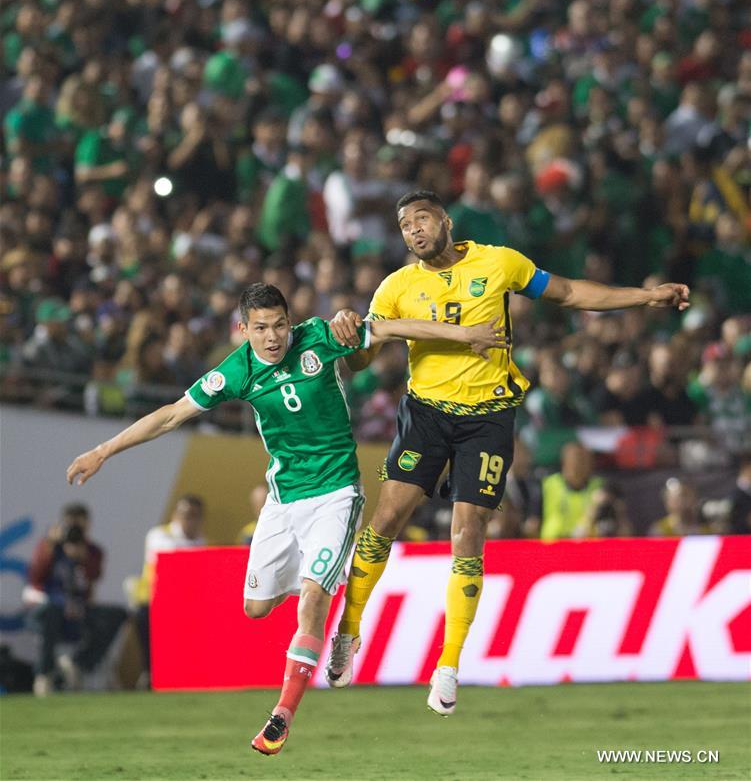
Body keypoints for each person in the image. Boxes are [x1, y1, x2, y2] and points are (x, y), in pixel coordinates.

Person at [66, 282, 505, 755]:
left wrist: (465, 336)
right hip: (282, 502)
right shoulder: (238, 371)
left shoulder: (321, 336)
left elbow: (392, 329)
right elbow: (172, 415)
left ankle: (282, 715)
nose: (273, 337)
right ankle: (321, 585)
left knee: (312, 601)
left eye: (279, 326)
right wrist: (103, 450)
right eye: (261, 329)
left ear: (290, 323)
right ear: (243, 330)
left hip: (336, 494)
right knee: (256, 608)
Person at [325, 189, 689, 715]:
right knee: (384, 520)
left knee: (468, 530)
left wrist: (646, 295)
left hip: (489, 417)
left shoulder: (499, 262)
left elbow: (566, 292)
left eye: (421, 219)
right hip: (426, 413)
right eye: (405, 226)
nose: (414, 231)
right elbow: (361, 361)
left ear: (445, 220)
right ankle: (349, 630)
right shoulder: (396, 287)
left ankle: (448, 664)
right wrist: (348, 333)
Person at [25, 504, 126, 696]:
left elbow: (94, 577)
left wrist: (83, 558)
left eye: (80, 525)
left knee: (117, 614)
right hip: (49, 609)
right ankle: (45, 674)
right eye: (70, 525)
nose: (75, 531)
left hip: (79, 610)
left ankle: (79, 664)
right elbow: (35, 577)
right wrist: (50, 547)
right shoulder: (49, 547)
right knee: (50, 612)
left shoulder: (93, 551)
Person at [131, 495, 207, 685]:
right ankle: (150, 672)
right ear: (175, 515)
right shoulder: (159, 535)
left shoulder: (201, 542)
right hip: (153, 599)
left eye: (195, 516)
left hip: (186, 603)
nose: (189, 520)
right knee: (144, 618)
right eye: (186, 515)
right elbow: (174, 561)